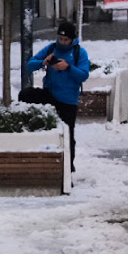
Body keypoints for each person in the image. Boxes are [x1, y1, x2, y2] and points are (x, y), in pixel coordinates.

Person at [24, 21, 90, 171]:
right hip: (49, 95)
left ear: (72, 40)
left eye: (66, 40)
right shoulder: (52, 49)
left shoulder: (80, 53)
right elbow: (30, 65)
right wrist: (43, 62)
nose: (62, 42)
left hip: (68, 101)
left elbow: (83, 75)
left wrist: (68, 67)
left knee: (68, 134)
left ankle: (68, 167)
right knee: (26, 94)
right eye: (60, 39)